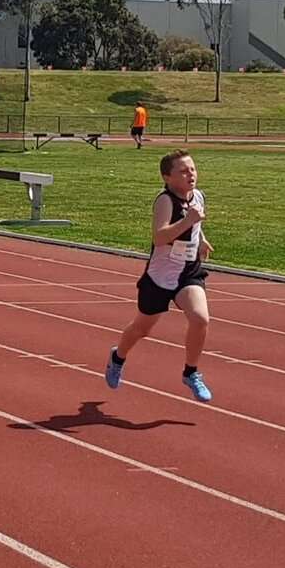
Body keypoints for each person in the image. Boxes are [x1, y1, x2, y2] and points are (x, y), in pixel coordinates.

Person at [104, 149, 215, 402]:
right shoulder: (165, 201)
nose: (191, 174)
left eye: (193, 169)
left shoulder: (198, 196)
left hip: (188, 272)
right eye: (183, 171)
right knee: (141, 328)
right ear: (167, 177)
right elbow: (160, 237)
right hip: (160, 276)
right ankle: (118, 357)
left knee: (200, 318)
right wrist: (188, 221)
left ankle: (191, 372)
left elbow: (195, 224)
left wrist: (201, 240)